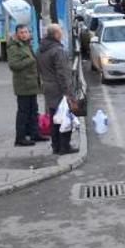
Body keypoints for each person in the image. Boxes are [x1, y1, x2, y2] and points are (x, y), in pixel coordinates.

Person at [37, 24, 78, 155]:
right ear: (55, 34)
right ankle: (64, 147)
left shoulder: (41, 49)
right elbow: (63, 74)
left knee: (55, 118)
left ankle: (56, 146)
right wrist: (70, 94)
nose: (62, 33)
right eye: (60, 31)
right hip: (59, 89)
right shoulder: (57, 50)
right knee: (65, 117)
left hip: (48, 87)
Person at [8, 24, 47, 146]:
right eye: (21, 32)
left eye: (26, 32)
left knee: (33, 111)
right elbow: (13, 65)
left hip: (32, 84)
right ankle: (20, 138)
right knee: (23, 112)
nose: (24, 34)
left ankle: (34, 134)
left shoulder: (26, 45)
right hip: (23, 85)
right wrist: (30, 60)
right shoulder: (14, 47)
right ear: (17, 34)